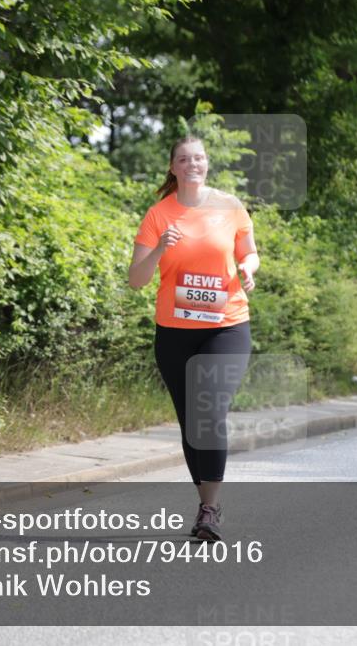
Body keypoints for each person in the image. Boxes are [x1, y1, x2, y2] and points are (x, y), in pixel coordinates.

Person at [128, 136, 259, 540]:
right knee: (191, 423)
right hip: (175, 333)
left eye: (198, 158)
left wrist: (249, 268)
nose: (192, 164)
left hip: (226, 325)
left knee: (210, 408)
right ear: (173, 168)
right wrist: (157, 251)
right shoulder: (158, 215)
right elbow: (136, 280)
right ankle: (206, 505)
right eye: (183, 159)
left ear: (207, 164)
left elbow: (250, 252)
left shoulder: (230, 207)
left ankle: (210, 508)